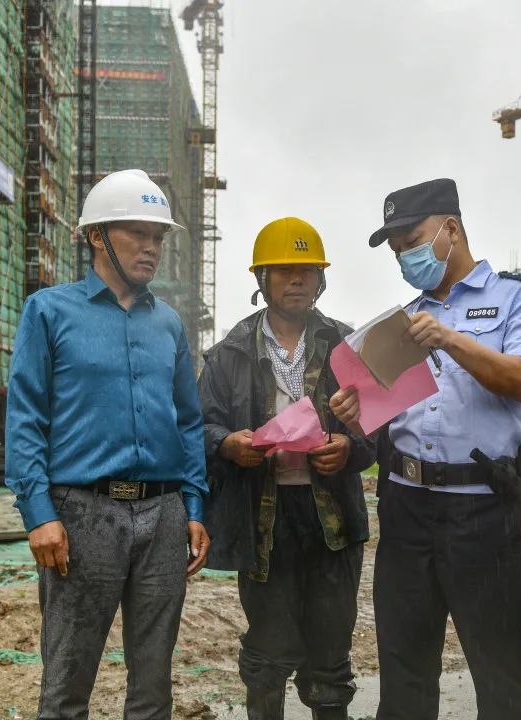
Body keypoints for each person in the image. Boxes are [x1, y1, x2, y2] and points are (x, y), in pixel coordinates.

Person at [330, 178, 521, 720]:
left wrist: (451, 339)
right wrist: (356, 416)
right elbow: (388, 417)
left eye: (412, 241)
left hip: (486, 509)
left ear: (451, 229)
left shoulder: (517, 297)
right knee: (404, 675)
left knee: (503, 678)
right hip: (407, 509)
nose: (404, 258)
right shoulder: (402, 324)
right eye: (396, 251)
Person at [4, 168, 211, 720]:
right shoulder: (49, 312)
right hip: (81, 515)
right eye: (137, 233)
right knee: (67, 684)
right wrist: (38, 513)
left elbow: (189, 422)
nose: (151, 248)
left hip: (164, 516)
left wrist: (194, 506)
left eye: (158, 236)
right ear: (96, 236)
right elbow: (25, 417)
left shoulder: (168, 325)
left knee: (154, 687)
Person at [197, 217, 374, 720]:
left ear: (321, 279)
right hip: (263, 521)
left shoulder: (347, 346)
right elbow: (199, 427)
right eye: (283, 270)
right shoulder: (230, 353)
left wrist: (349, 448)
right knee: (267, 655)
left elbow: (377, 430)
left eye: (307, 271)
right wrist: (228, 445)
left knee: (330, 658)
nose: (297, 279)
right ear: (262, 278)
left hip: (331, 523)